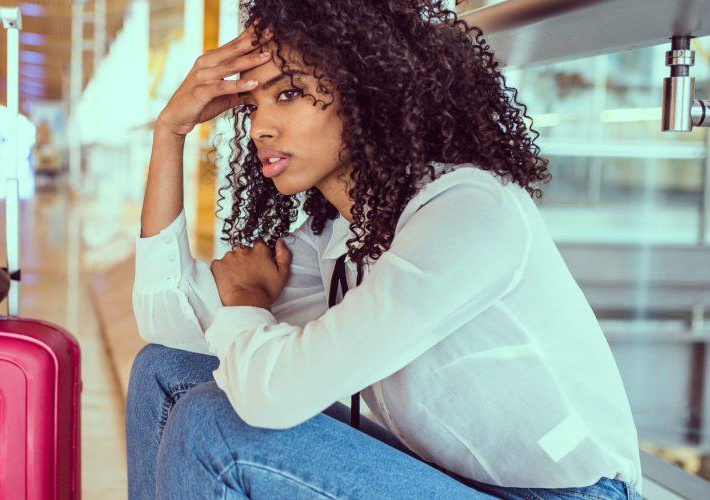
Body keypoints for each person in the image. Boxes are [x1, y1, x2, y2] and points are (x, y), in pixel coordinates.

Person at [127, 1, 642, 499]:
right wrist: (169, 133)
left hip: (572, 494)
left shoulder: (469, 211)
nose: (260, 127)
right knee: (165, 371)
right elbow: (168, 321)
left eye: (288, 93)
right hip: (447, 481)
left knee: (214, 425)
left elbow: (274, 397)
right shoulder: (338, 240)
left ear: (367, 90)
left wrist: (245, 302)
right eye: (253, 104)